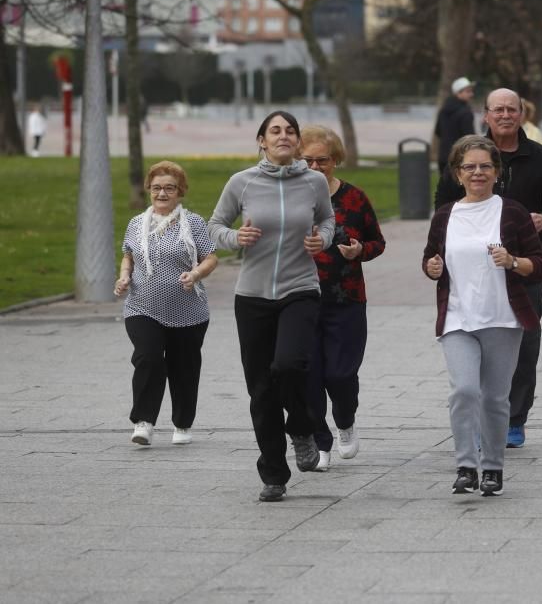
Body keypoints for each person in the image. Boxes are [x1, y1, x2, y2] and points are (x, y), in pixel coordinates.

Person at [207, 110, 337, 502]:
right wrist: (235, 237)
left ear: (297, 141)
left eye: (290, 131)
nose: (283, 136)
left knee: (290, 364)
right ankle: (274, 475)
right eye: (275, 131)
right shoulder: (241, 182)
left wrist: (323, 241)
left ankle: (300, 426)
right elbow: (213, 225)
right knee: (261, 391)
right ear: (262, 140)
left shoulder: (314, 182)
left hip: (300, 288)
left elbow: (328, 221)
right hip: (253, 296)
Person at [435, 88, 542, 449]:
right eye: (497, 110)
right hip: (471, 270)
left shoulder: (539, 157)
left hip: (523, 268)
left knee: (524, 346)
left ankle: (515, 418)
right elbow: (441, 206)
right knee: (474, 343)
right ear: (486, 115)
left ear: (522, 114)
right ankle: (484, 417)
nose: (505, 115)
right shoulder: (469, 156)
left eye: (511, 109)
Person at [422, 135, 542, 496]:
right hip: (458, 318)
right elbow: (432, 259)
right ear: (458, 174)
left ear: (497, 172)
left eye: (485, 166)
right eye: (470, 167)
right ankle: (465, 465)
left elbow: (536, 266)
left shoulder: (512, 212)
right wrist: (431, 267)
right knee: (464, 390)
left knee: (494, 398)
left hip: (502, 319)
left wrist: (512, 262)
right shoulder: (446, 215)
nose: (478, 173)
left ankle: (492, 467)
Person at [300, 125, 386, 472]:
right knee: (308, 376)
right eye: (308, 160)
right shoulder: (289, 197)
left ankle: (345, 420)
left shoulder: (354, 198)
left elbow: (377, 242)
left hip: (346, 298)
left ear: (336, 160)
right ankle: (320, 443)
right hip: (300, 297)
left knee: (339, 374)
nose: (316, 167)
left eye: (323, 160)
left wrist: (359, 251)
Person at [115, 161, 218, 447]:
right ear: (149, 189)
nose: (162, 193)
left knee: (183, 367)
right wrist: (124, 277)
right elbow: (128, 256)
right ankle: (143, 422)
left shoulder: (194, 222)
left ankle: (182, 423)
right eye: (157, 188)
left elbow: (211, 257)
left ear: (180, 191)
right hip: (142, 307)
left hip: (188, 311)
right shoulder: (137, 224)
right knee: (147, 358)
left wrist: (195, 273)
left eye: (169, 188)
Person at [434, 76, 476, 178]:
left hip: (443, 157)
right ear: (458, 93)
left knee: (444, 190)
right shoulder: (466, 112)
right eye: (468, 91)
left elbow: (438, 131)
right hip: (460, 158)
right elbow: (470, 139)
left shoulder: (443, 110)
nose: (471, 94)